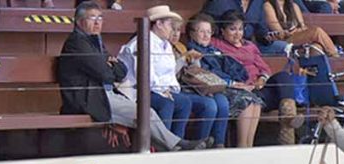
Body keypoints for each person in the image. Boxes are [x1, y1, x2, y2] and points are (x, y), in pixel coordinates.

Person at [58, 2, 209, 151]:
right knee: (145, 113)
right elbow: (106, 74)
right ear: (79, 21)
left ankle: (174, 146)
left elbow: (121, 72)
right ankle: (174, 146)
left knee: (153, 110)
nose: (97, 23)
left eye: (100, 18)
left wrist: (109, 66)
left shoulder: (94, 41)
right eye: (92, 18)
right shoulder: (78, 43)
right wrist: (109, 66)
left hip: (104, 94)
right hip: (88, 98)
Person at [119, 6, 220, 144]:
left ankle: (178, 143)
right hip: (139, 91)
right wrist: (161, 90)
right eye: (170, 25)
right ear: (158, 24)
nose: (173, 30)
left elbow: (169, 73)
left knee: (183, 102)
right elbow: (144, 73)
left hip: (160, 89)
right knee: (165, 103)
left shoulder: (164, 44)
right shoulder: (141, 42)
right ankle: (162, 145)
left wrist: (170, 89)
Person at [212, 10, 305, 144]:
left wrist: (262, 78)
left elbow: (264, 68)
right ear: (222, 31)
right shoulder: (217, 44)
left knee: (284, 76)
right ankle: (286, 124)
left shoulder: (250, 46)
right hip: (240, 90)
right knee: (251, 99)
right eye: (232, 29)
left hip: (259, 89)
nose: (237, 33)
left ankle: (288, 117)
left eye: (240, 29)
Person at [186, 13, 265, 148]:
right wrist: (232, 83)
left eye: (209, 32)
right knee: (245, 100)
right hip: (208, 88)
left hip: (226, 85)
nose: (206, 36)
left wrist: (240, 80)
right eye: (201, 32)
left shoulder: (212, 49)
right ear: (192, 33)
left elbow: (231, 66)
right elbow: (206, 74)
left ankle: (248, 145)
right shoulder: (192, 51)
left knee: (255, 101)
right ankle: (238, 145)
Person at [168, 18, 229, 148]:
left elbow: (193, 72)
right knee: (209, 105)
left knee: (222, 101)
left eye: (178, 30)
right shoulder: (161, 47)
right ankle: (200, 142)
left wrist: (195, 61)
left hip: (191, 87)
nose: (175, 34)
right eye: (172, 30)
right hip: (177, 89)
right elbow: (169, 75)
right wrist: (184, 59)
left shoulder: (180, 46)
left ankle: (219, 143)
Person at [202, 0, 291, 54]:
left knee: (285, 48)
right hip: (225, 46)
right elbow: (203, 25)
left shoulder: (258, 2)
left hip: (250, 45)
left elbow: (261, 31)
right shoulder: (219, 3)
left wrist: (270, 37)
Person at [264, 0, 340, 56]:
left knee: (317, 47)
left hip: (296, 35)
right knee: (317, 31)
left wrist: (296, 30)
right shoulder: (268, 5)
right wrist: (291, 32)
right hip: (283, 40)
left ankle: (321, 75)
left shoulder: (293, 5)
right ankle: (336, 57)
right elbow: (278, 31)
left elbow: (302, 27)